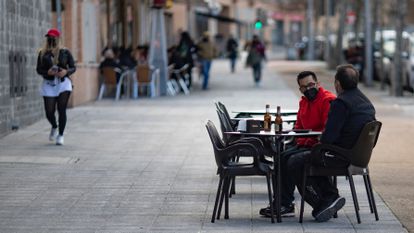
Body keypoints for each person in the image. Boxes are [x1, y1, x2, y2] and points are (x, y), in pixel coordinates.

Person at [287, 64, 376, 222]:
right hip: (360, 157)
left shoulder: (340, 103)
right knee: (307, 156)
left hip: (339, 155)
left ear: (337, 84)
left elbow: (328, 138)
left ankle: (325, 200)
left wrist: (320, 141)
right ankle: (328, 198)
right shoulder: (366, 102)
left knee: (295, 161)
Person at [259, 71, 336, 218]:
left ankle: (285, 203)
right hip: (304, 144)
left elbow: (328, 129)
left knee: (288, 159)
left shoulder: (327, 100)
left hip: (317, 146)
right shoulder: (303, 102)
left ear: (318, 83)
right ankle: (282, 203)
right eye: (304, 87)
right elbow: (298, 127)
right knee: (280, 157)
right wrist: (290, 134)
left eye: (311, 85)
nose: (308, 89)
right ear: (300, 89)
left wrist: (307, 138)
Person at [36, 28, 76, 145]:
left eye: (53, 38)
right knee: (49, 111)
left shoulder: (65, 52)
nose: (51, 40)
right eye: (49, 38)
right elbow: (38, 69)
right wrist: (47, 72)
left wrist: (66, 72)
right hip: (49, 84)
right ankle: (54, 126)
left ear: (58, 39)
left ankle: (61, 135)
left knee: (61, 109)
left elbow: (73, 67)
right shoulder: (42, 53)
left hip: (63, 84)